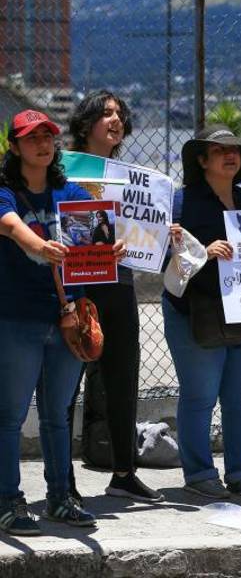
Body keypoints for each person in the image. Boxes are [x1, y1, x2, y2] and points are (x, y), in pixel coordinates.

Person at [0, 110, 122, 534]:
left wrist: (113, 248)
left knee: (57, 415)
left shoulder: (68, 191)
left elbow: (100, 235)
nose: (43, 143)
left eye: (49, 135)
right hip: (18, 317)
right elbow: (13, 228)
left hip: (67, 318)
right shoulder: (5, 192)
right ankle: (8, 501)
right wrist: (41, 245)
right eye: (32, 138)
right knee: (10, 415)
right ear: (14, 147)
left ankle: (60, 498)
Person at [163, 124, 241, 500]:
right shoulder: (180, 204)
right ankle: (200, 473)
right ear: (202, 160)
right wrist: (205, 251)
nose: (230, 155)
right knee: (200, 395)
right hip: (193, 311)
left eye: (235, 150)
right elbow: (163, 261)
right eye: (220, 151)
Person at [65, 91, 163, 503]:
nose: (116, 120)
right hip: (78, 286)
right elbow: (63, 225)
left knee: (124, 380)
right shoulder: (65, 171)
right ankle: (61, 478)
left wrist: (162, 235)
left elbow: (143, 232)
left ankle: (124, 473)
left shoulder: (133, 177)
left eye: (120, 114)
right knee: (65, 386)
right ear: (86, 123)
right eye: (106, 113)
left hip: (119, 285)